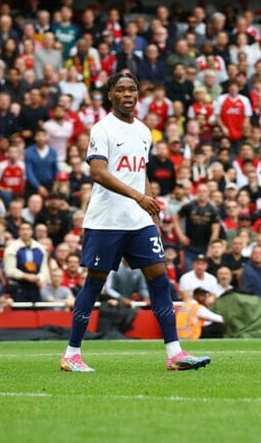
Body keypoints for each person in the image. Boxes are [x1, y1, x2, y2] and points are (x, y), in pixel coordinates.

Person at [59, 72, 210, 372]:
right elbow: (98, 172)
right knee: (95, 283)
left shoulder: (143, 131)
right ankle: (71, 354)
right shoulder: (102, 129)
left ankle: (175, 353)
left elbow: (142, 174)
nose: (128, 94)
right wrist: (136, 197)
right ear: (111, 95)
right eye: (122, 90)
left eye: (133, 90)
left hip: (138, 221)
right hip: (106, 221)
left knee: (160, 277)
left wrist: (151, 214)